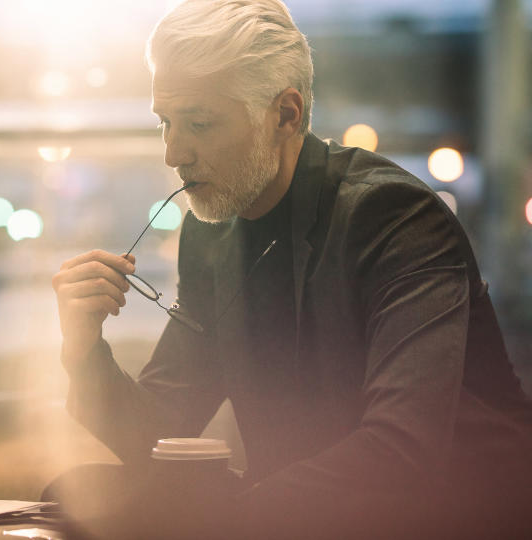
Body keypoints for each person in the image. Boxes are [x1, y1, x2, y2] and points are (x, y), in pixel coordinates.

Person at [50, 0, 532, 538]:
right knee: (69, 497)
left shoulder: (393, 217)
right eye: (165, 122)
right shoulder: (213, 230)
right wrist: (84, 350)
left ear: (286, 114)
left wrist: (227, 514)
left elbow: (402, 451)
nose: (173, 153)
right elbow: (161, 432)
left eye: (199, 123)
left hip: (465, 518)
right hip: (304, 518)